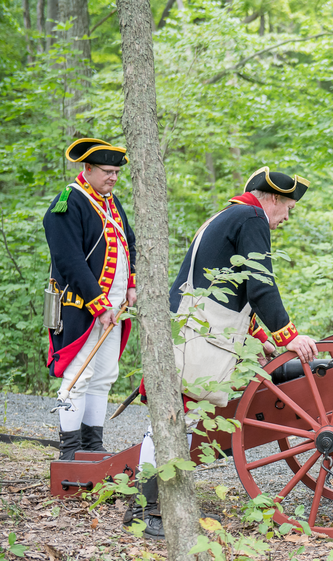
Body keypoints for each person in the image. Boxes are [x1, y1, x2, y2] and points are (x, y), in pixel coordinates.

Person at [124, 166, 318, 538]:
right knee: (173, 419)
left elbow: (232, 285)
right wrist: (287, 335)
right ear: (273, 198)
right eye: (288, 208)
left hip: (192, 326)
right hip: (199, 333)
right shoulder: (252, 216)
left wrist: (259, 334)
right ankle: (144, 509)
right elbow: (260, 283)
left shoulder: (231, 214)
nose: (287, 217)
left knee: (179, 418)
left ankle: (152, 505)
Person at [43, 138, 137, 460]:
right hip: (82, 307)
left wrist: (131, 286)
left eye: (116, 172)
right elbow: (69, 260)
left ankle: (92, 447)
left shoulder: (111, 201)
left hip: (115, 307)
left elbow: (129, 243)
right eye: (107, 171)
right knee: (77, 375)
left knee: (104, 375)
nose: (113, 177)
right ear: (88, 168)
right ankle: (69, 450)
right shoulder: (69, 201)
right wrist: (99, 305)